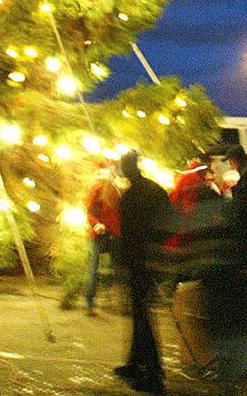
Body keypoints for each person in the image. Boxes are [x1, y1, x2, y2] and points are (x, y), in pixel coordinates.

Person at [116, 150, 171, 394]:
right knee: (140, 312)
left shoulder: (134, 195)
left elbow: (129, 232)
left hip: (141, 259)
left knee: (142, 313)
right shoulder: (153, 190)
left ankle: (153, 370)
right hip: (150, 256)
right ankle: (136, 362)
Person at [85, 163, 123, 315]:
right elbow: (90, 211)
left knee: (117, 267)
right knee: (93, 268)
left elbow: (116, 213)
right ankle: (89, 303)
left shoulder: (115, 190)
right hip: (98, 234)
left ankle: (118, 302)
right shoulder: (97, 189)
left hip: (112, 234)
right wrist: (96, 224)